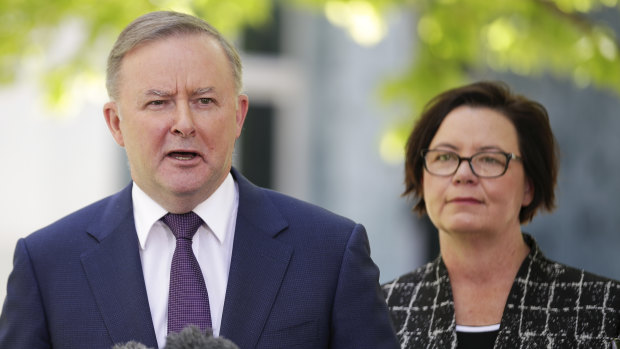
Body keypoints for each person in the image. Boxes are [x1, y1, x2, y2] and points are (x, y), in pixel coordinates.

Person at [0, 11, 398, 349]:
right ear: (116, 122)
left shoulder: (329, 253)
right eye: (158, 102)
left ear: (239, 115)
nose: (184, 124)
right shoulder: (48, 265)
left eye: (204, 101)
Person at [382, 81, 620, 348]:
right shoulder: (379, 311)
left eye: (489, 159)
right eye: (444, 157)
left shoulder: (604, 308)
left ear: (528, 186)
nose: (463, 175)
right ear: (422, 178)